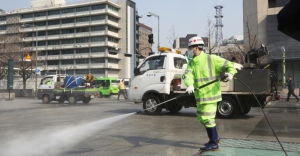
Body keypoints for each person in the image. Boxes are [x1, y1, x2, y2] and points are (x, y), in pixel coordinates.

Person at [184, 36, 242, 152]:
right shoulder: (191, 63)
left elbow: (229, 65)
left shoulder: (211, 59)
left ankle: (214, 142)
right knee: (202, 118)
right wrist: (189, 84)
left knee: (208, 118)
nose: (189, 51)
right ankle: (215, 138)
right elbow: (188, 75)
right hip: (200, 96)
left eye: (190, 48)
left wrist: (230, 73)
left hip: (210, 96)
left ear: (196, 48)